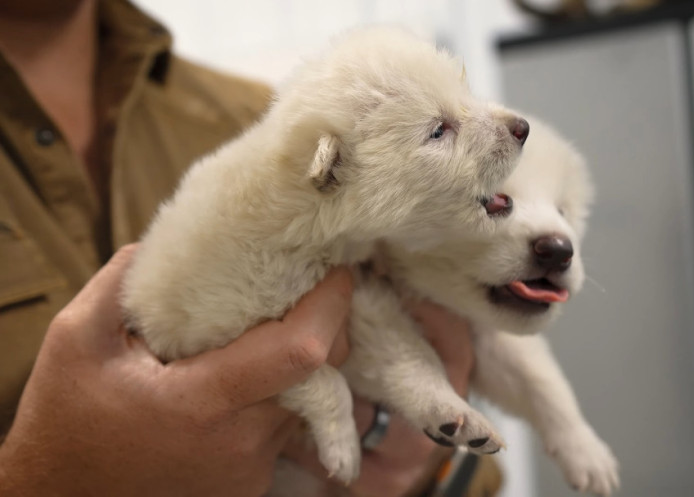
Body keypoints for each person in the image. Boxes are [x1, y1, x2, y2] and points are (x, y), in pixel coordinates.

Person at [0, 0, 502, 495]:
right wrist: (42, 479)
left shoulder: (258, 114)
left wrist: (422, 467)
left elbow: (467, 471)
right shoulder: (298, 146)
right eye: (439, 131)